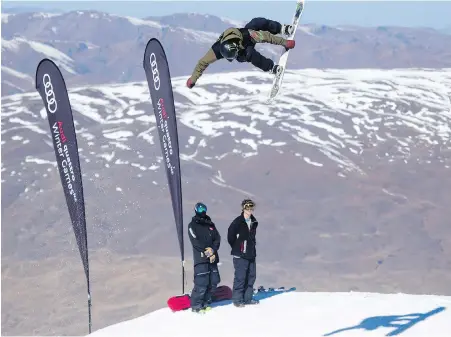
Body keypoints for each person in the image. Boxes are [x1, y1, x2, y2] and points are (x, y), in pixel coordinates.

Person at [186, 17, 296, 88]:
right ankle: (271, 68)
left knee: (258, 22)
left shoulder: (247, 34)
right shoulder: (217, 50)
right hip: (243, 52)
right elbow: (202, 63)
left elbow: (265, 37)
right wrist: (193, 79)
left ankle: (282, 29)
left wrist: (284, 42)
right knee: (249, 54)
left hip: (245, 42)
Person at [188, 202, 221, 312]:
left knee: (213, 281)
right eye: (200, 209)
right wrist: (208, 253)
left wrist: (213, 250)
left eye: (204, 208)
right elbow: (195, 242)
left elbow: (217, 238)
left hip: (212, 258)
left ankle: (206, 302)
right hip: (201, 258)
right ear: (196, 210)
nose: (202, 211)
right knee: (201, 283)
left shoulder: (210, 225)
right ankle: (197, 305)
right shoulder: (192, 225)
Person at [227, 198, 259, 307]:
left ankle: (247, 298)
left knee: (251, 276)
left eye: (251, 207)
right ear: (243, 208)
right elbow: (230, 236)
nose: (250, 209)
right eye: (247, 207)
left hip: (251, 253)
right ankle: (237, 300)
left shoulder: (253, 222)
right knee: (240, 277)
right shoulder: (238, 222)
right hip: (240, 254)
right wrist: (238, 247)